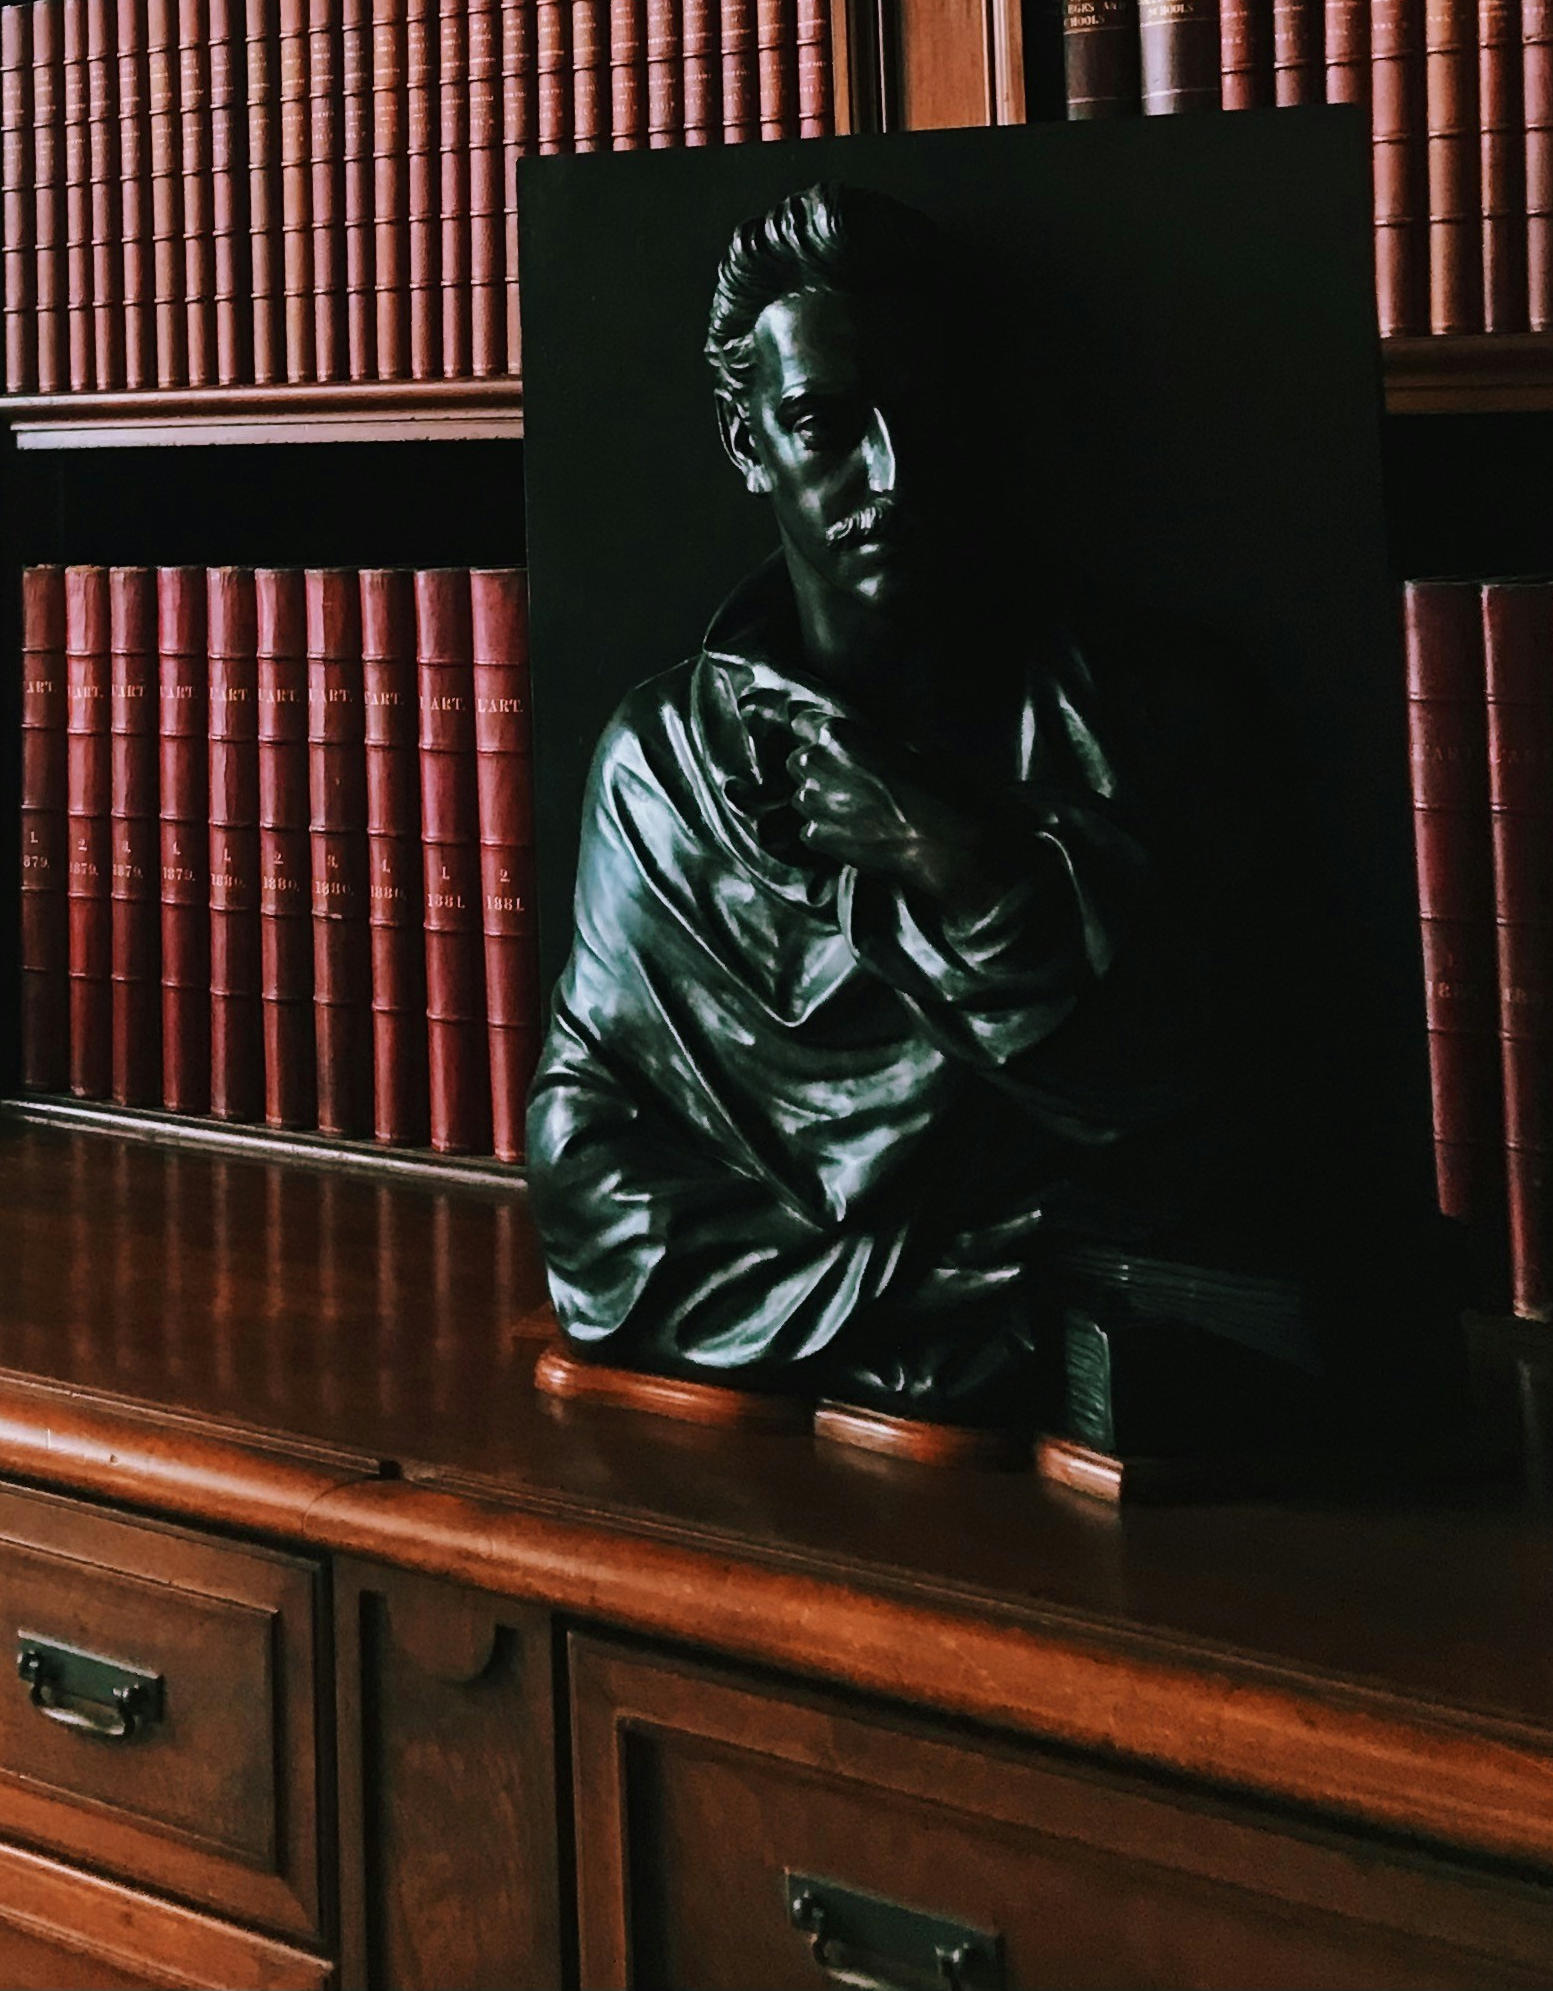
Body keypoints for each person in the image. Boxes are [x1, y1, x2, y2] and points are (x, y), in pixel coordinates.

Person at [527, 179, 1243, 1423]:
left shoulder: (1124, 722)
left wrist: (955, 863)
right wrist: (895, 1278)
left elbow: (1201, 1122)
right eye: (824, 425)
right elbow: (583, 1175)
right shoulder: (657, 769)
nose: (892, 476)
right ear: (746, 440)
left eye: (923, 418)